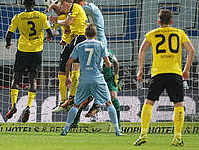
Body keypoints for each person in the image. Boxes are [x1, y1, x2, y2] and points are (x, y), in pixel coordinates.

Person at [134, 9, 195, 146]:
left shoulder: (152, 34)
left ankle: (143, 134)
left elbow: (142, 49)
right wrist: (186, 70)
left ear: (158, 21)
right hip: (175, 73)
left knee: (149, 102)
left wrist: (140, 70)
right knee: (178, 104)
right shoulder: (179, 33)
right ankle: (177, 137)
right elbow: (191, 50)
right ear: (171, 21)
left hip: (158, 73)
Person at [60, 24, 122, 136]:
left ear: (85, 34)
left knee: (76, 105)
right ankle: (117, 130)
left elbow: (68, 62)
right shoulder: (100, 45)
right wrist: (106, 66)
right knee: (109, 103)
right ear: (96, 34)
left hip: (83, 79)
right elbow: (108, 64)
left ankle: (65, 129)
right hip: (97, 78)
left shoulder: (79, 46)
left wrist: (68, 77)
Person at [5, 0, 53, 123]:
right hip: (36, 52)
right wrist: (49, 36)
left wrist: (8, 44)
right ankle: (28, 106)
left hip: (22, 51)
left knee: (16, 78)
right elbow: (50, 33)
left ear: (23, 3)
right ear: (34, 3)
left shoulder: (18, 17)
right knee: (33, 79)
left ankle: (13, 105)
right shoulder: (42, 16)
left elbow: (8, 35)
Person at [49, 0, 88, 111]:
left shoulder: (74, 8)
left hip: (79, 38)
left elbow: (67, 22)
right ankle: (67, 100)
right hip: (74, 40)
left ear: (66, 4)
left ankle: (70, 99)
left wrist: (56, 20)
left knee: (71, 65)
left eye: (61, 6)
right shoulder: (70, 11)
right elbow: (67, 21)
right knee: (70, 66)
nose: (60, 9)